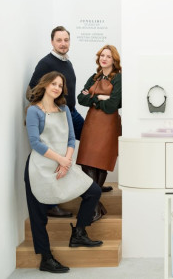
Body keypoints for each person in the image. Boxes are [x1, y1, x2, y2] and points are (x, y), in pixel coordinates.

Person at [25, 71, 103, 273]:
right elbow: (35, 142)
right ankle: (46, 258)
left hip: (64, 163)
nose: (57, 87)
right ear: (45, 85)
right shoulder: (34, 111)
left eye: (60, 85)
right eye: (54, 83)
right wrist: (60, 160)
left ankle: (78, 233)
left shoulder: (64, 109)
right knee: (39, 216)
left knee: (93, 191)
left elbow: (70, 139)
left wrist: (66, 161)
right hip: (40, 168)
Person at [76, 45, 122, 222]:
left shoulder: (118, 78)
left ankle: (94, 206)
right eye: (102, 55)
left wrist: (93, 98)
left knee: (101, 162)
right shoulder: (94, 77)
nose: (104, 58)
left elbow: (113, 105)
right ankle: (95, 205)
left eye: (108, 56)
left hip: (108, 124)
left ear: (114, 60)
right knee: (86, 162)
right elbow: (81, 98)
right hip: (91, 123)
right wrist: (100, 98)